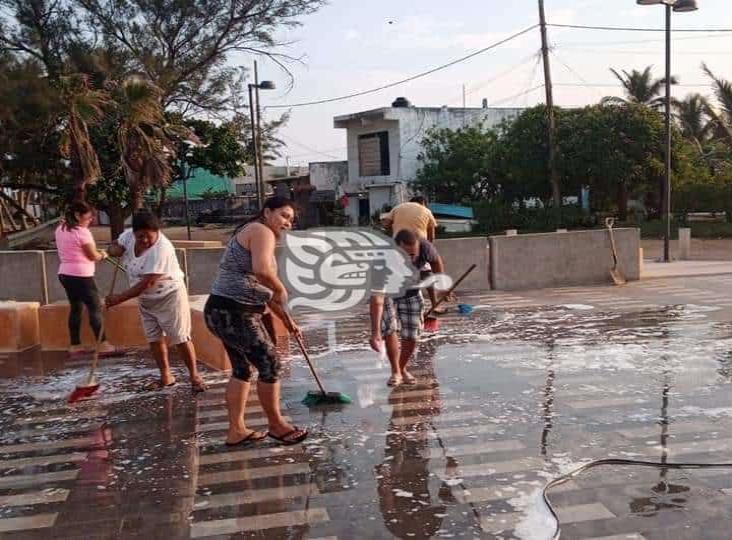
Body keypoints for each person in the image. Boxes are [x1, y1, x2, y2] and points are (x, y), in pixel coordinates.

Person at [203, 197, 308, 446]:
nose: (287, 223)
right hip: (233, 312)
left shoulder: (255, 232)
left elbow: (263, 291)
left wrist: (287, 320)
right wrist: (281, 287)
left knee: (242, 369)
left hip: (223, 310)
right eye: (283, 216)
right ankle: (276, 425)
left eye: (291, 220)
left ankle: (236, 431)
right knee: (270, 363)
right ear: (267, 212)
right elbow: (262, 273)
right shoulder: (261, 231)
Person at [106, 211, 206, 393]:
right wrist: (114, 250)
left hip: (169, 296)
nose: (144, 240)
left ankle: (194, 376)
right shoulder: (127, 236)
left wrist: (119, 298)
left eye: (148, 236)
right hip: (146, 300)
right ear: (134, 233)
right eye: (140, 236)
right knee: (154, 338)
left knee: (180, 337)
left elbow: (148, 282)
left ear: (157, 232)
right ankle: (166, 376)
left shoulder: (162, 248)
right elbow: (113, 248)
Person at [369, 229, 445, 387]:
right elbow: (377, 300)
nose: (409, 260)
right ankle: (395, 371)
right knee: (389, 329)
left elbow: (436, 261)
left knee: (412, 335)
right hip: (387, 293)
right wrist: (375, 332)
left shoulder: (425, 247)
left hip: (411, 290)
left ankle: (401, 368)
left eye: (413, 255)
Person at [55, 201, 118, 358]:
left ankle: (75, 346)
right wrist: (105, 254)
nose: (90, 221)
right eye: (88, 218)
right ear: (77, 215)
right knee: (94, 308)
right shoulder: (82, 232)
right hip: (81, 275)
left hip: (65, 274)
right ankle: (103, 344)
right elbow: (93, 256)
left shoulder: (60, 229)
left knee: (76, 308)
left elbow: (77, 249)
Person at [381, 196, 446, 313]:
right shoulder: (426, 210)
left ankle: (391, 309)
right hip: (418, 246)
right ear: (423, 203)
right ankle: (434, 305)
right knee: (427, 274)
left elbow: (386, 224)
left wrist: (394, 234)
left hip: (398, 244)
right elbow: (432, 235)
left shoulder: (398, 208)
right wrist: (429, 249)